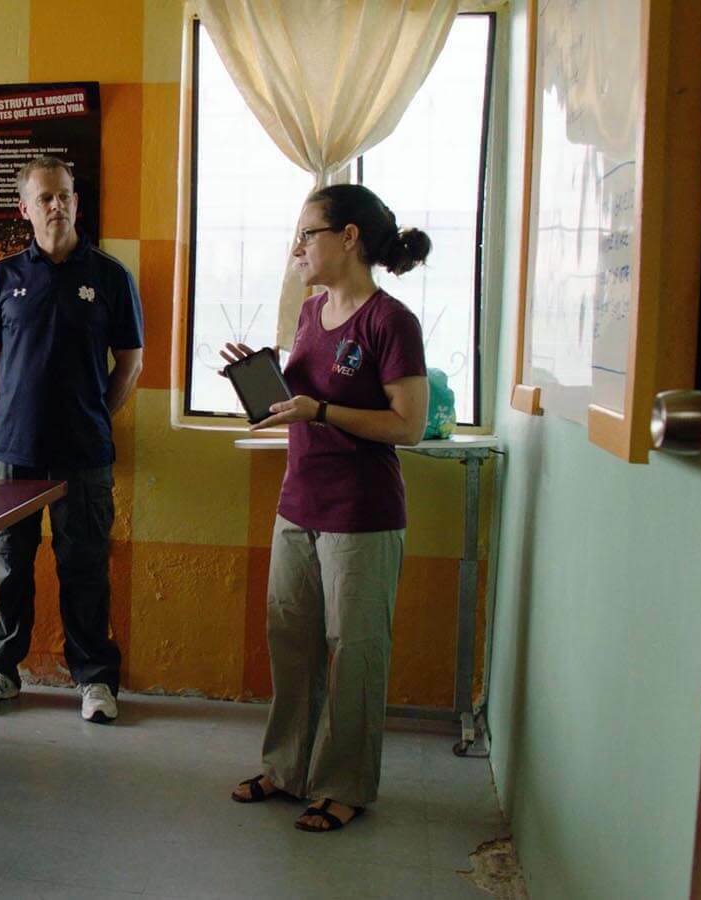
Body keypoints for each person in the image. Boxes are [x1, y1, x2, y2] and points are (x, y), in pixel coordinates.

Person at [222, 184, 430, 833]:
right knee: (292, 644)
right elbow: (301, 400)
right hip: (299, 503)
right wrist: (264, 389)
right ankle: (287, 769)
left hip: (362, 515)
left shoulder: (391, 321)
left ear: (348, 238)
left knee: (354, 650)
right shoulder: (312, 314)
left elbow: (409, 425)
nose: (297, 248)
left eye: (308, 233)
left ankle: (344, 784)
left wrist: (322, 411)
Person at [0, 155, 144, 724]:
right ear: (25, 208)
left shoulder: (111, 276)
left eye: (64, 195)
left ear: (76, 202)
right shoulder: (3, 276)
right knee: (9, 566)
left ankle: (94, 680)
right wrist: (18, 407)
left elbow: (130, 362)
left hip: (85, 454)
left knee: (84, 566)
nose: (56, 206)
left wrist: (95, 413)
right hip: (13, 454)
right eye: (45, 198)